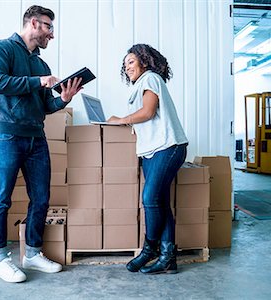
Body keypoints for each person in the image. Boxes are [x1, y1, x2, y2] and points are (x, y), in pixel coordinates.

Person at [0, 5, 82, 283]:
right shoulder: (1, 49)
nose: (52, 35)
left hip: (36, 138)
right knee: (1, 198)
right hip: (7, 136)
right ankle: (1, 258)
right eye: (49, 28)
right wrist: (37, 81)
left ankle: (33, 253)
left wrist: (63, 99)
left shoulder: (41, 64)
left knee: (41, 198)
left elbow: (44, 105)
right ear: (35, 24)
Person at [108, 44, 188, 274]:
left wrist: (121, 120)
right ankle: (168, 259)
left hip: (168, 146)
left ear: (144, 61)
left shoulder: (151, 78)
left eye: (131, 62)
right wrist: (121, 120)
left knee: (150, 198)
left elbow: (148, 112)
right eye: (125, 65)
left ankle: (149, 249)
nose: (128, 67)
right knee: (161, 202)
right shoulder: (140, 85)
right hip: (152, 150)